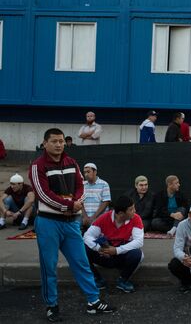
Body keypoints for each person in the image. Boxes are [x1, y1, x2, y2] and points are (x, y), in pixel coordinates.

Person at [29, 128, 115, 322]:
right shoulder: (38, 165)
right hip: (48, 222)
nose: (59, 144)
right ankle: (52, 306)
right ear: (45, 143)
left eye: (61, 141)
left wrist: (76, 203)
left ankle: (93, 302)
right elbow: (42, 194)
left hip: (70, 223)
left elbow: (81, 187)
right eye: (54, 141)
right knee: (49, 266)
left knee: (82, 262)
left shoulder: (72, 162)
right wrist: (69, 204)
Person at [83, 195, 144, 293]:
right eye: (131, 209)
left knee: (137, 254)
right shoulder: (104, 218)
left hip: (121, 256)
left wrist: (116, 250)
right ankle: (97, 279)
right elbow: (87, 236)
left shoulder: (136, 218)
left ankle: (123, 280)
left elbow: (139, 242)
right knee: (82, 249)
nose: (135, 211)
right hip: (104, 255)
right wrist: (99, 248)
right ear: (120, 213)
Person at [82, 163, 111, 230]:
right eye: (85, 172)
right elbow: (80, 202)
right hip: (84, 218)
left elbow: (106, 202)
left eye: (88, 172)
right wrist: (85, 217)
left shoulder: (104, 184)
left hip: (100, 218)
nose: (86, 174)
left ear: (95, 172)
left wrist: (93, 217)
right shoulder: (82, 185)